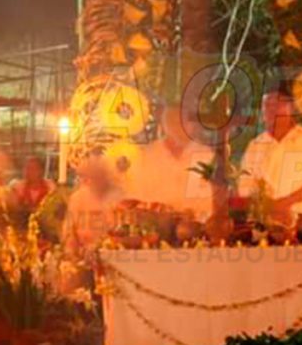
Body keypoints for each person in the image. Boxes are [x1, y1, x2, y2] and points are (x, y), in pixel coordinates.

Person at [238, 88, 302, 226]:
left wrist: (284, 204)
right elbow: (246, 186)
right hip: (265, 224)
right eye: (266, 105)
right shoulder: (255, 145)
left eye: (276, 104)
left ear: (292, 108)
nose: (270, 110)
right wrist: (270, 207)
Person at [131, 106, 213, 219]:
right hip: (155, 226)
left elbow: (211, 200)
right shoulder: (149, 155)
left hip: (196, 227)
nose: (179, 127)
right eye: (174, 122)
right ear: (165, 125)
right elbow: (138, 196)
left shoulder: (206, 155)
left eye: (185, 121)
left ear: (194, 126)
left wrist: (191, 214)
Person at [60, 153, 125, 291]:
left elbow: (124, 229)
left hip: (113, 261)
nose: (97, 179)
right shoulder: (78, 198)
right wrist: (72, 254)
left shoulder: (119, 196)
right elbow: (69, 231)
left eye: (100, 175)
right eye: (93, 175)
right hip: (83, 260)